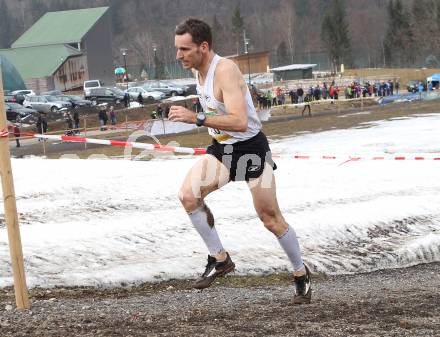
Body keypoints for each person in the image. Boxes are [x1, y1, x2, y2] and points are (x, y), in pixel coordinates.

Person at [168, 18, 311, 304]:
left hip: (251, 149)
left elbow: (239, 119)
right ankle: (219, 258)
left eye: (184, 49)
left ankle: (300, 273)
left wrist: (195, 117)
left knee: (270, 219)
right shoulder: (198, 70)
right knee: (188, 195)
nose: (178, 55)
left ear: (203, 46)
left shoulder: (226, 70)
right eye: (177, 49)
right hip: (222, 149)